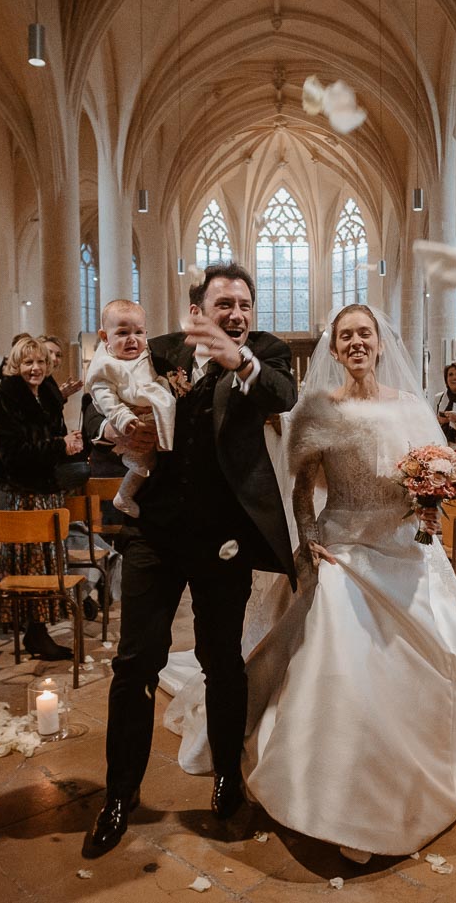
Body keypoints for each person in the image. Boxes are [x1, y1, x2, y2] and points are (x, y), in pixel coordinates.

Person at [246, 303, 456, 861]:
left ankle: (410, 781)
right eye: (346, 337)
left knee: (442, 653)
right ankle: (342, 798)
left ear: (381, 343)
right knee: (342, 657)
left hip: (404, 550)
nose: (356, 343)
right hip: (344, 550)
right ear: (333, 350)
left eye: (365, 335)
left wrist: (431, 509)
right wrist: (310, 544)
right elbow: (302, 489)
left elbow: (432, 479)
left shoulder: (410, 406)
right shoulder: (317, 409)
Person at [81, 262, 296, 859]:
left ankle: (228, 776)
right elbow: (94, 401)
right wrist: (118, 427)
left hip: (223, 536)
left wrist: (239, 360)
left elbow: (284, 394)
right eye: (224, 303)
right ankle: (120, 795)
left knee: (221, 659)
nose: (237, 314)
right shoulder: (158, 350)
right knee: (135, 661)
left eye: (245, 304)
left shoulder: (266, 353)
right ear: (198, 310)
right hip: (154, 529)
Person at [0, 336, 86, 661]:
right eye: (28, 362)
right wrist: (61, 445)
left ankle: (37, 631)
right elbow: (13, 455)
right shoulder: (5, 400)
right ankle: (35, 631)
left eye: (40, 362)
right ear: (17, 364)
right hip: (23, 495)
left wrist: (69, 446)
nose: (35, 368)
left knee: (47, 563)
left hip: (46, 490)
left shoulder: (47, 396)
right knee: (30, 566)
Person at [84, 300, 176, 518]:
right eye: (123, 332)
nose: (132, 338)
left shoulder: (151, 353)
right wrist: (114, 427)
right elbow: (95, 404)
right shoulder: (108, 363)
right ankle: (124, 496)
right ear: (105, 336)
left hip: (174, 484)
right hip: (121, 455)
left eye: (138, 332)